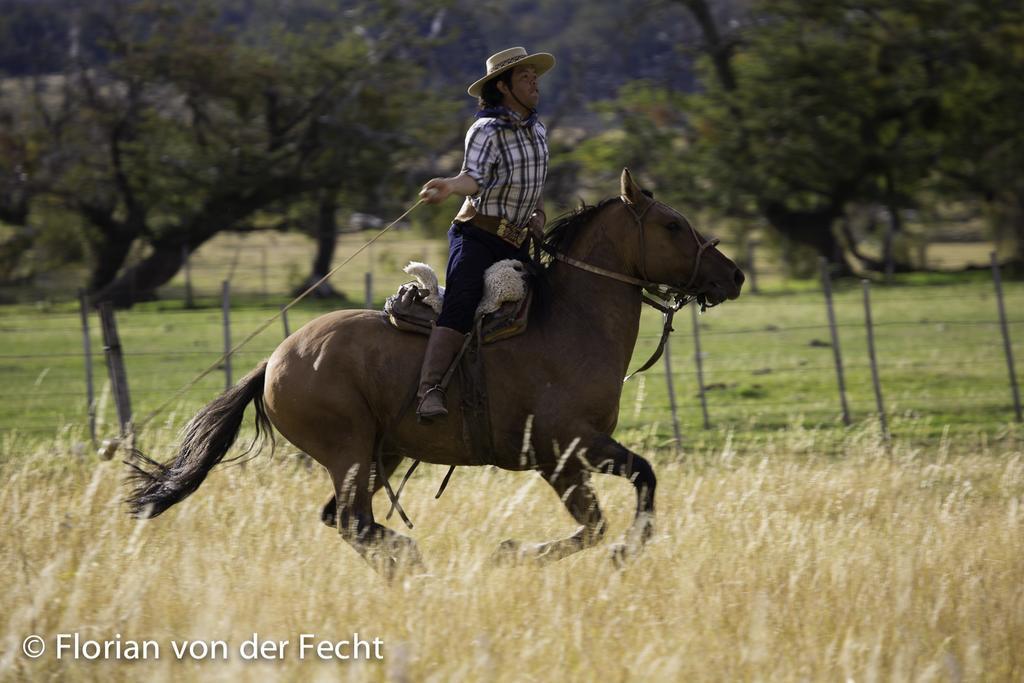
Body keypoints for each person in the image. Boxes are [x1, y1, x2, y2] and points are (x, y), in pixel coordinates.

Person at [416, 46, 555, 423]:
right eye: (524, 76)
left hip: (518, 240)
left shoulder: (538, 130)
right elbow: (472, 178)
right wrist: (448, 186)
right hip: (477, 235)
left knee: (549, 304)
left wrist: (539, 213)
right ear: (503, 86)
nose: (534, 80)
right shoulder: (486, 130)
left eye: (534, 74)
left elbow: (536, 182)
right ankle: (430, 388)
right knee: (461, 301)